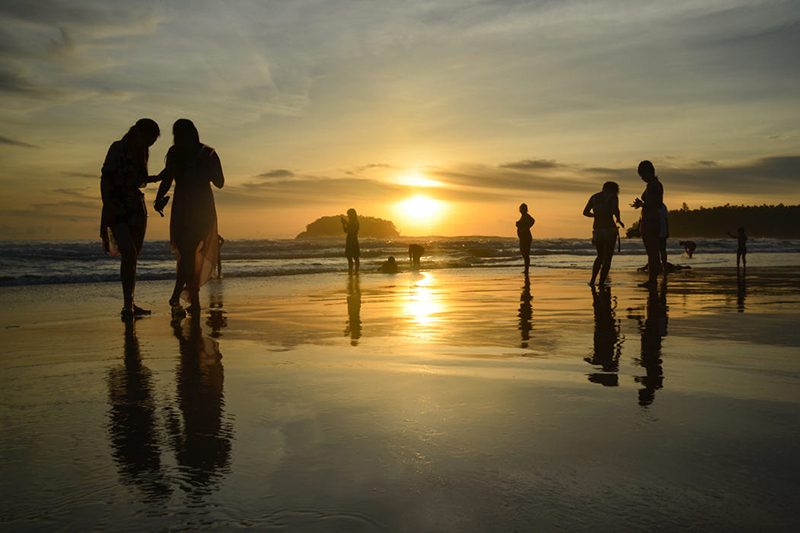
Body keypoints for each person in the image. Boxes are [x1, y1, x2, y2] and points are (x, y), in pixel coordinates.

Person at [154, 119, 224, 316]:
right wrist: (159, 199)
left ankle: (182, 297)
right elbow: (167, 178)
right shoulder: (179, 154)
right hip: (189, 208)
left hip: (197, 209)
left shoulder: (207, 154)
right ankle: (188, 298)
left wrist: (159, 199)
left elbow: (220, 182)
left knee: (189, 254)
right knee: (188, 254)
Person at [100, 118, 161, 318]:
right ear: (139, 133)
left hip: (135, 205)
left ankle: (130, 303)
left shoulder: (142, 152)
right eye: (149, 139)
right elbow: (106, 178)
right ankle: (128, 305)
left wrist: (157, 178)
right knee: (129, 252)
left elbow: (139, 180)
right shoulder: (118, 148)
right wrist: (108, 207)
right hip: (117, 206)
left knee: (132, 255)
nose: (150, 145)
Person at [583, 181, 624, 286]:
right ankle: (601, 282)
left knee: (600, 256)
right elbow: (615, 210)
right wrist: (619, 219)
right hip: (609, 228)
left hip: (597, 230)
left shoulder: (594, 197)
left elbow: (585, 212)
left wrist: (596, 216)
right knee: (608, 257)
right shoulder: (613, 197)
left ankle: (592, 280)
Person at [631, 160, 664, 287]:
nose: (642, 178)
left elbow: (657, 203)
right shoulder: (653, 184)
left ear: (648, 172)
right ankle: (652, 278)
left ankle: (652, 279)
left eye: (642, 175)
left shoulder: (653, 185)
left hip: (651, 221)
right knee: (652, 251)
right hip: (650, 220)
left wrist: (642, 204)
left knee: (652, 252)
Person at [516, 203, 535, 274]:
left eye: (522, 208)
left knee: (525, 253)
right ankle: (526, 269)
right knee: (524, 253)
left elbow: (533, 220)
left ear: (525, 209)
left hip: (526, 237)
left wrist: (526, 227)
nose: (520, 210)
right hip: (523, 237)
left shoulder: (526, 216)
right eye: (520, 208)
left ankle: (527, 270)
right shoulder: (523, 216)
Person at [341, 208, 360, 273]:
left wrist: (345, 223)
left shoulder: (355, 222)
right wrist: (343, 224)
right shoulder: (351, 221)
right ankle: (351, 271)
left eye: (349, 214)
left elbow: (351, 230)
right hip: (350, 239)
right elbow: (346, 231)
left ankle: (356, 271)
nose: (348, 215)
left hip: (353, 239)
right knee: (349, 257)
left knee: (355, 257)